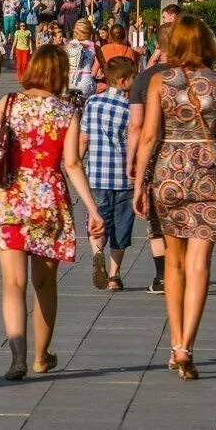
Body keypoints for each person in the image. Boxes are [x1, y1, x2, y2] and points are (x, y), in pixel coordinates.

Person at [0, 44, 104, 380]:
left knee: (12, 284)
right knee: (44, 284)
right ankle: (40, 355)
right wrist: (93, 210)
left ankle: (17, 356)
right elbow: (73, 164)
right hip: (49, 201)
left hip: (11, 199)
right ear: (61, 74)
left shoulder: (10, 102)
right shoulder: (67, 111)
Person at [133, 15, 216, 380]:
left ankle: (174, 341)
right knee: (199, 263)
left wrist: (137, 184)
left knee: (173, 263)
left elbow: (148, 136)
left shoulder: (161, 81)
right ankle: (186, 346)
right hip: (207, 175)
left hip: (168, 175)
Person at [79, 55, 142, 291]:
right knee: (121, 226)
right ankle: (115, 275)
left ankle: (97, 252)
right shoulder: (130, 110)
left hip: (96, 175)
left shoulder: (92, 103)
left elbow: (83, 139)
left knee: (98, 219)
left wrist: (75, 162)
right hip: (124, 178)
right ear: (124, 81)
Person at [65, 18, 98, 101]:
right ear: (89, 32)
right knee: (87, 104)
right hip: (86, 81)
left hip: (68, 80)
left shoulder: (68, 44)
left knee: (66, 105)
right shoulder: (94, 46)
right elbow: (103, 64)